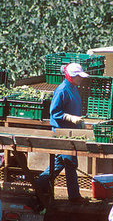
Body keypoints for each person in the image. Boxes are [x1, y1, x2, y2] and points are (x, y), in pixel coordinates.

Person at [37, 63, 88, 202]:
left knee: (62, 161)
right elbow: (54, 112)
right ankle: (74, 196)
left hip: (72, 131)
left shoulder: (74, 88)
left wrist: (79, 121)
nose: (81, 79)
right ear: (71, 76)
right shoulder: (62, 90)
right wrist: (69, 117)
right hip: (62, 132)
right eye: (78, 76)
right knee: (70, 162)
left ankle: (40, 184)